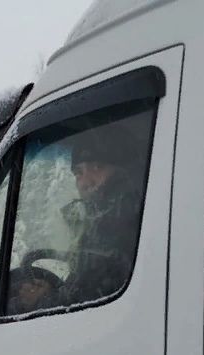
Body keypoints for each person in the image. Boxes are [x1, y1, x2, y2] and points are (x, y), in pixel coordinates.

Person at [59, 124, 144, 304]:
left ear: (125, 171)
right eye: (78, 173)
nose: (86, 182)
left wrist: (44, 302)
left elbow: (93, 295)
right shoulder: (96, 223)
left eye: (97, 167)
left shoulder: (129, 221)